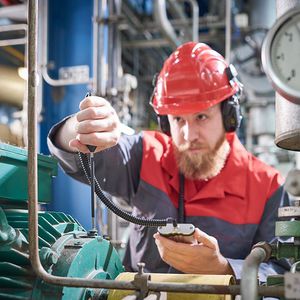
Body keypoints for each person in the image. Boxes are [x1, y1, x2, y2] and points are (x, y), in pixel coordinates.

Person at [47, 42, 289, 281]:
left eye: (201, 116)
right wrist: (80, 128)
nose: (188, 135)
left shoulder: (269, 187)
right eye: (178, 120)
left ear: (229, 115)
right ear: (165, 122)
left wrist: (224, 269)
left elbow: (287, 278)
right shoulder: (146, 155)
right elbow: (79, 161)